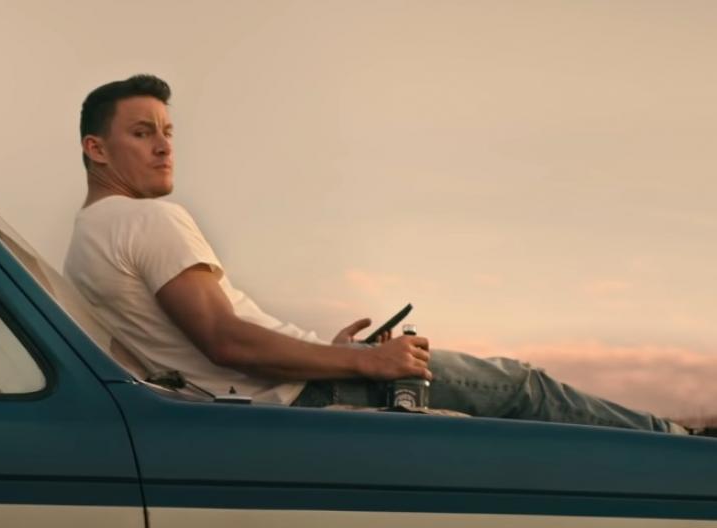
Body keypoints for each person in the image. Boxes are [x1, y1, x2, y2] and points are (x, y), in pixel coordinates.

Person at [63, 74, 690, 434]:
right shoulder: (148, 218)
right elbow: (225, 342)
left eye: (168, 131)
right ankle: (681, 447)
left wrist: (331, 351)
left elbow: (175, 357)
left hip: (285, 392)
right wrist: (365, 362)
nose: (164, 147)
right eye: (142, 133)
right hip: (303, 397)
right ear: (97, 148)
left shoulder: (86, 244)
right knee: (524, 388)